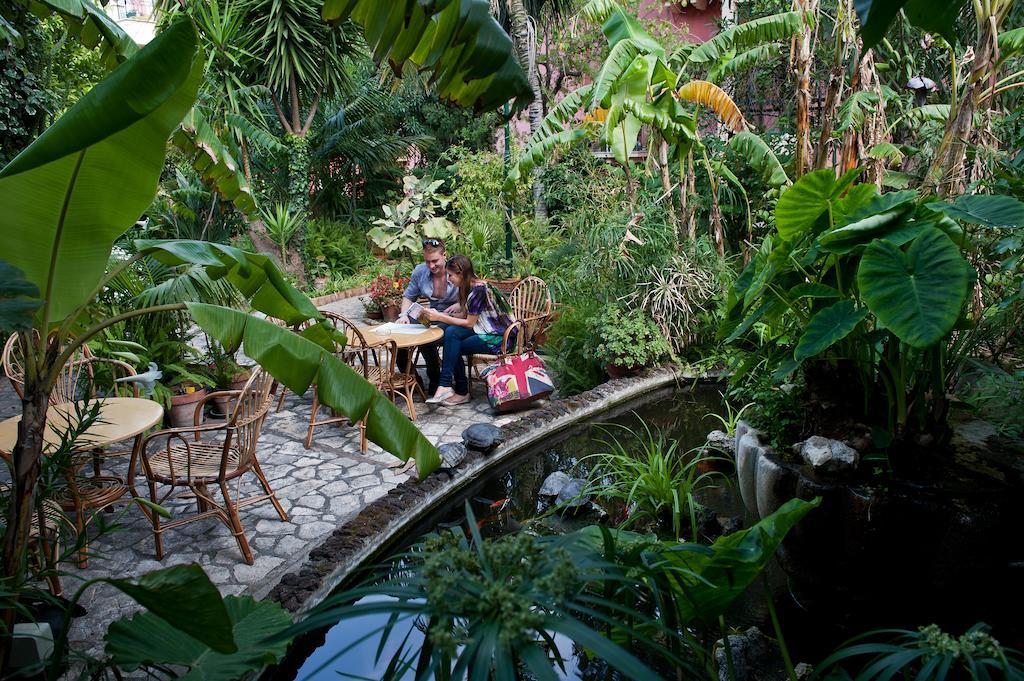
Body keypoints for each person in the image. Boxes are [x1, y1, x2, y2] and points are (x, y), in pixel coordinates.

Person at [424, 255, 516, 406]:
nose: (448, 279)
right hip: (483, 329)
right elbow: (465, 315)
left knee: (452, 341)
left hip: (500, 337)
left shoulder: (479, 289)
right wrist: (439, 316)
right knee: (451, 335)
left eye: (451, 275)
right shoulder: (468, 287)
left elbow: (468, 322)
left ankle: (457, 390)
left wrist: (441, 317)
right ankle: (449, 387)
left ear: (461, 273)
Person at [396, 238, 459, 395]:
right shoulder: (420, 272)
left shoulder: (456, 270)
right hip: (430, 315)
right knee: (399, 332)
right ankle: (410, 378)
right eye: (427, 262)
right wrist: (404, 315)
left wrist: (461, 303)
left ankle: (435, 377)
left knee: (425, 335)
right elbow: (408, 296)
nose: (431, 266)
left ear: (444, 255)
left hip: (452, 318)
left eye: (435, 261)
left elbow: (473, 293)